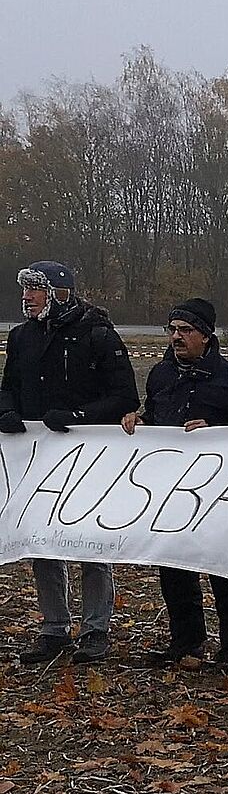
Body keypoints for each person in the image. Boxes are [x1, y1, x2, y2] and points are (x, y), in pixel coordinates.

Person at [0, 261, 139, 664]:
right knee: (43, 542)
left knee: (91, 543)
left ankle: (95, 629)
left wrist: (80, 416)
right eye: (24, 290)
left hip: (87, 457)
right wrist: (6, 409)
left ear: (58, 292)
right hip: (36, 458)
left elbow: (124, 397)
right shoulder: (21, 337)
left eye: (35, 290)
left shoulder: (95, 333)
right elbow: (8, 387)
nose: (26, 297)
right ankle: (54, 628)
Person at [122, 298, 228, 668]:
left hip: (217, 492)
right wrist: (138, 420)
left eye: (186, 330)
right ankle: (186, 641)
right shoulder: (160, 375)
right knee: (173, 567)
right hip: (169, 489)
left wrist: (217, 431)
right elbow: (154, 414)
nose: (176, 337)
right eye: (172, 330)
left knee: (223, 573)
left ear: (206, 335)